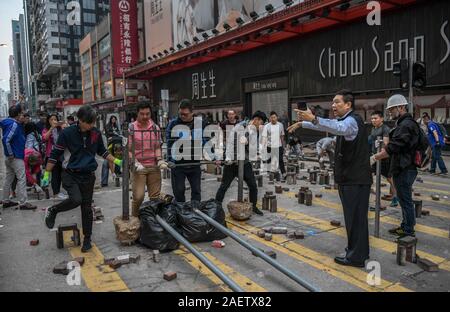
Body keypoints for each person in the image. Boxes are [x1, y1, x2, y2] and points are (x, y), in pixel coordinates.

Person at [289, 89, 372, 267]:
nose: (333, 105)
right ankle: (356, 252)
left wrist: (312, 119)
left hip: (354, 179)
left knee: (356, 219)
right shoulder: (346, 120)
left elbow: (337, 127)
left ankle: (356, 257)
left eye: (337, 102)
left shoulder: (351, 121)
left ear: (348, 104)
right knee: (354, 219)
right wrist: (304, 123)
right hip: (351, 178)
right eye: (332, 102)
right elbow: (329, 126)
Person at [42, 105, 123, 253]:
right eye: (89, 122)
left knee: (86, 209)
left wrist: (117, 161)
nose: (91, 125)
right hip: (70, 174)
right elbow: (55, 155)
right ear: (80, 120)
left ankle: (87, 239)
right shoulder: (67, 133)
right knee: (76, 199)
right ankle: (53, 210)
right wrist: (47, 174)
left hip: (88, 175)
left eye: (93, 122)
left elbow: (102, 152)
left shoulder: (95, 133)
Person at [372, 95, 425, 238]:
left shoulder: (406, 125)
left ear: (401, 107)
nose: (389, 112)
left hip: (405, 168)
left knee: (406, 200)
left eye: (391, 109)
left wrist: (376, 156)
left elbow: (395, 146)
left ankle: (408, 231)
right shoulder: (404, 123)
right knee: (403, 199)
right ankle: (405, 226)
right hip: (403, 167)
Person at [215, 111, 267, 216]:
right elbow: (230, 143)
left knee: (253, 185)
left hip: (245, 162)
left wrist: (254, 150)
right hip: (232, 163)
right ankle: (215, 207)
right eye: (261, 123)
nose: (261, 126)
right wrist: (228, 157)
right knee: (224, 185)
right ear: (256, 119)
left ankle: (254, 206)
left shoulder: (255, 131)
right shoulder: (240, 127)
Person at [130, 103, 167, 217]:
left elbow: (157, 147)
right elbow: (128, 150)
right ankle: (135, 219)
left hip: (153, 166)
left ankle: (153, 221)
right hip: (139, 167)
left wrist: (160, 160)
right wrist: (135, 162)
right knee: (138, 196)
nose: (145, 116)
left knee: (155, 197)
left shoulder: (155, 128)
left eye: (148, 114)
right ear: (137, 113)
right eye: (142, 114)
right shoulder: (131, 128)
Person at [166, 99, 206, 202]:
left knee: (196, 190)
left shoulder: (200, 124)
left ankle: (195, 212)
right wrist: (170, 159)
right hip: (178, 164)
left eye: (185, 114)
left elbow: (206, 140)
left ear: (192, 112)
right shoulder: (173, 124)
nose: (182, 116)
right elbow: (169, 143)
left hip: (194, 163)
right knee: (179, 190)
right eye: (180, 114)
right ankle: (180, 212)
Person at [1, 105, 37, 210]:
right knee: (21, 179)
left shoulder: (8, 122)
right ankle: (23, 203)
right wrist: (11, 153)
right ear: (17, 115)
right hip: (15, 157)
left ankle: (5, 200)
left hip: (11, 157)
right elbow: (6, 140)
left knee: (9, 179)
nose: (23, 115)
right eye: (21, 113)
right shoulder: (14, 125)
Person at [368, 111, 398, 207]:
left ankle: (395, 197)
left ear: (381, 119)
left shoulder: (385, 129)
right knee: (369, 173)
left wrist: (380, 146)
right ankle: (374, 196)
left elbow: (386, 144)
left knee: (389, 178)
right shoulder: (373, 129)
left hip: (384, 157)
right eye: (372, 118)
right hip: (375, 156)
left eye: (375, 118)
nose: (373, 120)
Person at [42, 113, 66, 199]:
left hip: (60, 155)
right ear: (48, 121)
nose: (53, 121)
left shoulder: (60, 129)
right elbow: (44, 138)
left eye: (55, 119)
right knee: (51, 173)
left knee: (59, 174)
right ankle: (53, 191)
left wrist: (63, 126)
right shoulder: (46, 129)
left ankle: (56, 191)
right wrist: (51, 128)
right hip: (51, 155)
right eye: (51, 119)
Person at [261, 111, 286, 177]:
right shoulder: (267, 126)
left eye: (274, 117)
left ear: (277, 117)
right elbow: (264, 137)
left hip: (279, 146)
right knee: (269, 160)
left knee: (280, 160)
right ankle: (270, 173)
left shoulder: (280, 125)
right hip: (269, 146)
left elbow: (282, 136)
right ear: (270, 118)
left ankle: (283, 173)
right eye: (272, 117)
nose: (273, 119)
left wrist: (283, 146)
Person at [101, 115, 121, 187]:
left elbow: (119, 134)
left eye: (114, 119)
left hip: (117, 146)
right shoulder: (107, 126)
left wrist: (115, 134)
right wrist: (114, 134)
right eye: (112, 119)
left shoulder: (116, 126)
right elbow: (109, 134)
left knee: (118, 161)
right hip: (109, 146)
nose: (113, 120)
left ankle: (117, 175)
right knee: (106, 163)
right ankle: (104, 182)